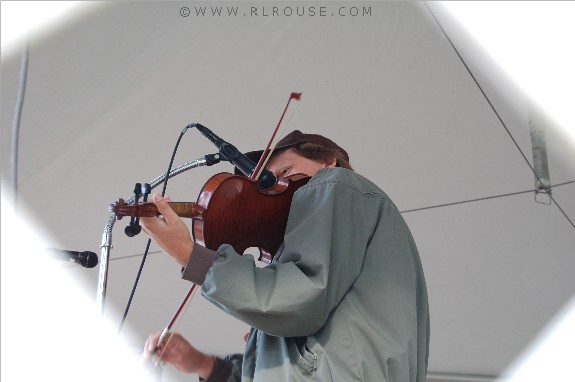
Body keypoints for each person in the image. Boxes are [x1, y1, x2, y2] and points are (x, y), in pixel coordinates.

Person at [140, 130, 429, 381]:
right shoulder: (311, 246)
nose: (278, 188)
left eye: (284, 173)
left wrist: (191, 255)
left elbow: (299, 297)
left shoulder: (335, 183)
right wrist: (200, 364)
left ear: (327, 161)